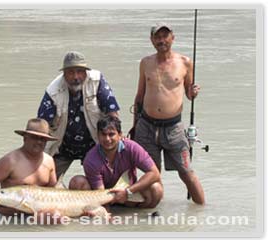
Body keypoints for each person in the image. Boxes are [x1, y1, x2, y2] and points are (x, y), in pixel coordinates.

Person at [132, 23, 205, 204]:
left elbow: (189, 94)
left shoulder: (185, 62)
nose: (161, 40)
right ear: (151, 40)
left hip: (173, 128)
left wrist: (193, 92)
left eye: (165, 36)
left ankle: (202, 212)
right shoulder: (145, 62)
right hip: (146, 126)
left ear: (173, 38)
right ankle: (158, 213)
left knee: (187, 173)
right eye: (157, 37)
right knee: (152, 175)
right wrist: (134, 126)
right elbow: (139, 96)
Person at [37, 51, 120, 177]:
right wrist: (35, 151)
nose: (76, 77)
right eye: (71, 72)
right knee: (44, 179)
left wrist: (118, 138)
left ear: (86, 72)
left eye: (80, 71)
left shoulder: (97, 81)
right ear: (64, 74)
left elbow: (112, 112)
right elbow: (42, 124)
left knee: (107, 179)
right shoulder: (53, 91)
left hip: (94, 143)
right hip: (62, 145)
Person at [69, 115, 163, 208]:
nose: (107, 139)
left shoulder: (132, 148)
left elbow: (154, 173)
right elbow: (101, 193)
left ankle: (138, 217)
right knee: (77, 182)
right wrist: (107, 216)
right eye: (103, 134)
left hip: (129, 194)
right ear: (97, 135)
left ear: (120, 135)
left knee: (156, 189)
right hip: (103, 197)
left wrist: (128, 191)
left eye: (111, 134)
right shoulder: (91, 159)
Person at [0, 118, 57, 216]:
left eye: (43, 139)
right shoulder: (10, 160)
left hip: (38, 213)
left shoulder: (49, 161)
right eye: (34, 137)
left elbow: (54, 191)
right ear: (25, 138)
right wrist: (0, 208)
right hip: (14, 215)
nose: (39, 142)